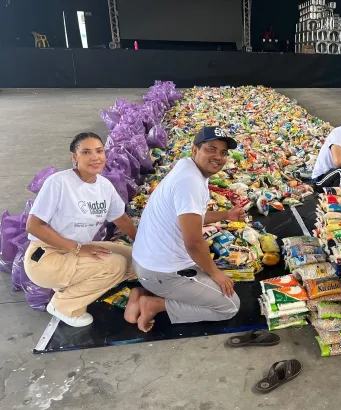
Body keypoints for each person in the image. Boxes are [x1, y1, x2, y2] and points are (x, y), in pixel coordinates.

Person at [131, 126, 245, 332]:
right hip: (161, 272)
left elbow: (191, 217)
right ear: (195, 150)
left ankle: (143, 292)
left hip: (148, 264)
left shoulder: (187, 169)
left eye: (223, 152)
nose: (218, 157)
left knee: (211, 267)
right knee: (229, 306)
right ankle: (154, 304)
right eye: (211, 149)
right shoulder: (190, 181)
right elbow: (193, 241)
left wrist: (226, 215)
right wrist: (215, 273)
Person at [24, 132, 137, 327]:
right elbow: (34, 225)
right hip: (46, 256)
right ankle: (63, 306)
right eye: (86, 152)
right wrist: (77, 248)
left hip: (77, 249)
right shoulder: (59, 182)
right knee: (115, 265)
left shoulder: (104, 185)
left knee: (134, 258)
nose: (95, 157)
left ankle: (73, 285)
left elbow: (121, 218)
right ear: (74, 157)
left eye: (99, 151)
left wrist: (143, 241)